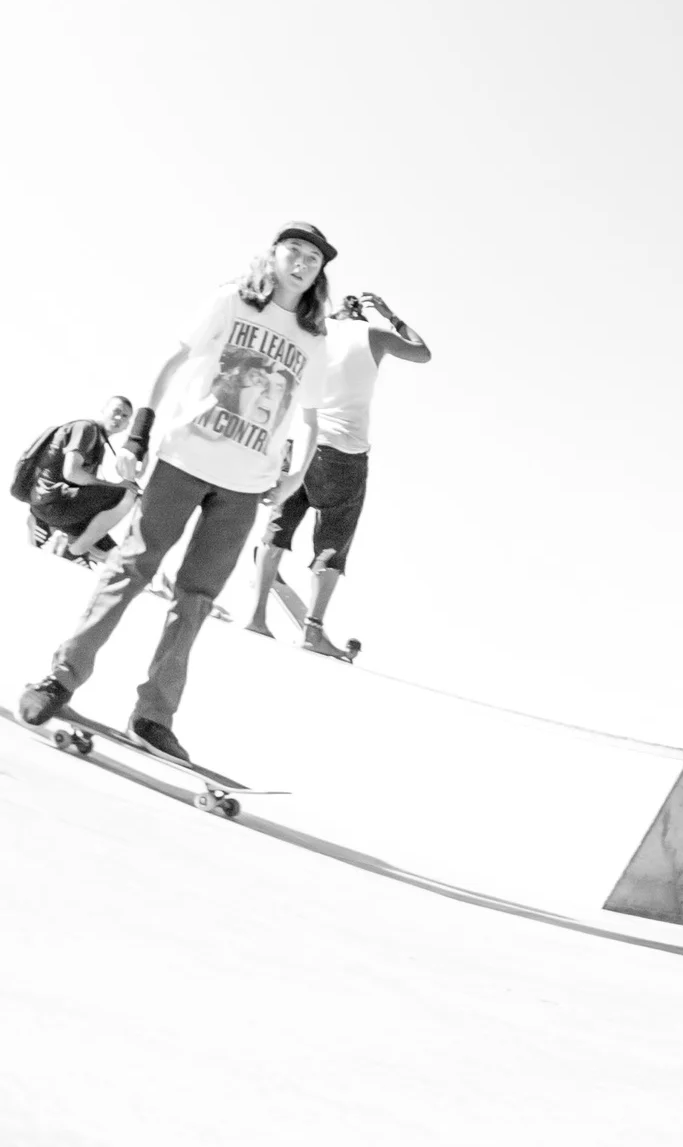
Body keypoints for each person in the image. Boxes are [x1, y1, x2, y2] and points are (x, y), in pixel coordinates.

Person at [18, 228, 339, 762]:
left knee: (196, 599)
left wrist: (294, 475)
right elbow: (173, 360)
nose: (303, 263)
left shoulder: (313, 338)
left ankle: (153, 717)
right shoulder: (232, 299)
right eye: (294, 252)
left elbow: (308, 417)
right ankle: (61, 678)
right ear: (275, 255)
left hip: (245, 486)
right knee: (130, 568)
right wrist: (140, 430)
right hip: (183, 461)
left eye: (313, 259)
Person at [247, 288, 431, 656]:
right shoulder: (374, 336)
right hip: (343, 454)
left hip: (299, 441)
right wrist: (390, 314)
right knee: (334, 538)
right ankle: (312, 631)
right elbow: (422, 352)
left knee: (279, 523)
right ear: (362, 315)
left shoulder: (315, 329)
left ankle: (257, 615)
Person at [16, 401, 137, 561]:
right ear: (103, 410)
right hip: (52, 504)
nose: (118, 418)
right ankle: (72, 552)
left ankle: (77, 545)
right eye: (116, 411)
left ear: (127, 425)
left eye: (124, 416)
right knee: (126, 494)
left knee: (109, 547)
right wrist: (118, 486)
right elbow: (72, 473)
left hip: (52, 505)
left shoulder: (98, 443)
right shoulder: (87, 429)